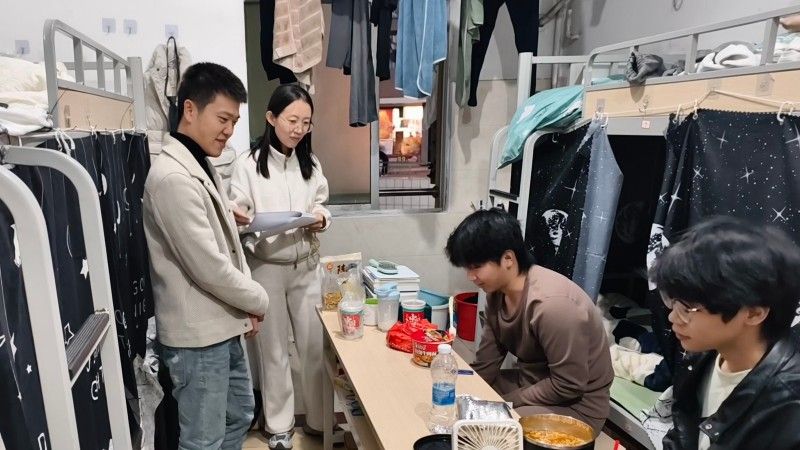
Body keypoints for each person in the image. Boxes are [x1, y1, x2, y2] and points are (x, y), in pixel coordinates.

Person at [143, 62, 269, 449]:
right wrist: (258, 299)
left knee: (239, 413)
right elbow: (209, 268)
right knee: (203, 439)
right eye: (223, 119)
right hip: (197, 337)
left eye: (234, 121)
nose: (229, 130)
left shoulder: (198, 162)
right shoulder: (172, 177)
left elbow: (222, 248)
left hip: (220, 324)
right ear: (190, 109)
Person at [444, 208, 613, 435]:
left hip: (576, 406)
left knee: (492, 431)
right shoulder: (497, 294)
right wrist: (462, 390)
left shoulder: (552, 305)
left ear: (508, 259)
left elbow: (568, 385)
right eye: (467, 268)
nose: (471, 276)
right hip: (530, 382)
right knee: (462, 401)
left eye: (476, 267)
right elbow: (486, 364)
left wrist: (507, 402)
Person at [229, 83, 331, 450]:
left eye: (306, 122)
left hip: (306, 265)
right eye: (292, 120)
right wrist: (239, 215)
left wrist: (320, 218)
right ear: (271, 118)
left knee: (314, 347)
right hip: (266, 266)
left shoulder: (310, 163)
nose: (299, 129)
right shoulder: (247, 164)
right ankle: (279, 425)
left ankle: (320, 421)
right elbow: (238, 208)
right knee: (272, 350)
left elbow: (321, 203)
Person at [651, 217, 800, 450]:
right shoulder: (699, 358)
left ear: (754, 313)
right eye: (674, 303)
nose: (673, 318)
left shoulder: (789, 403)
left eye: (687, 308)